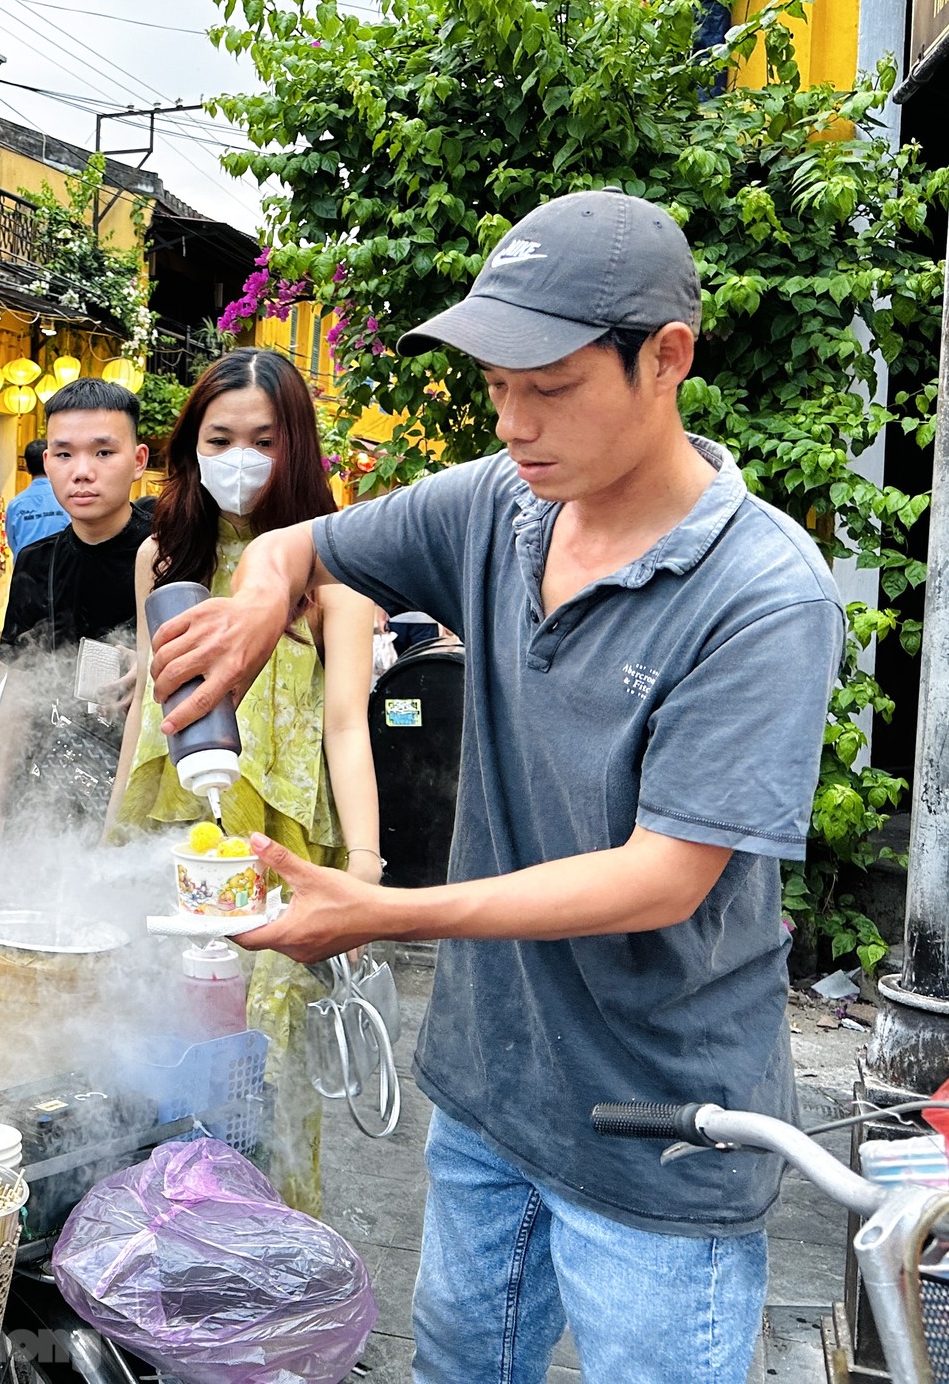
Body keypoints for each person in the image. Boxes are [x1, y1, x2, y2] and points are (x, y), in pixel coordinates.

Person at [150, 191, 846, 1384]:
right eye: (493, 386)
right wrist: (266, 592)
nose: (515, 423)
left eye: (553, 385)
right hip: (484, 1092)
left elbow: (662, 879)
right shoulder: (501, 504)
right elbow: (297, 542)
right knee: (459, 1363)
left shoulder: (760, 595)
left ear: (665, 358)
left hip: (657, 1131)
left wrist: (383, 910)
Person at [106, 349, 380, 1214]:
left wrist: (363, 873)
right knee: (158, 1058)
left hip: (281, 861)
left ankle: (269, 1274)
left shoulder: (335, 571)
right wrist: (105, 846)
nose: (240, 458)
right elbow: (141, 717)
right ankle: (164, 1257)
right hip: (173, 843)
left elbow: (345, 726)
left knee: (267, 1074)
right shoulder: (159, 557)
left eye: (264, 440)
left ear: (296, 447)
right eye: (219, 438)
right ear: (189, 446)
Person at [0, 379, 150, 838]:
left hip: (151, 780)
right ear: (46, 464)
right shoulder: (37, 560)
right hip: (58, 778)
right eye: (64, 454)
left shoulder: (172, 549)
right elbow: (20, 692)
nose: (81, 471)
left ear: (138, 462)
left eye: (103, 453)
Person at [4, 438, 70, 555]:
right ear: (49, 463)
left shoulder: (16, 505)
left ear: (26, 467)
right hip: (60, 569)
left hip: (25, 569)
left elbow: (13, 543)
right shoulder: (66, 499)